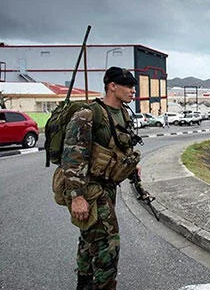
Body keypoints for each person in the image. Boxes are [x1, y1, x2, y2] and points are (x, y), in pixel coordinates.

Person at [61, 66, 143, 289]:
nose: (132, 90)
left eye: (133, 86)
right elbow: (72, 157)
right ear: (112, 86)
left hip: (109, 187)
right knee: (109, 242)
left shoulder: (125, 113)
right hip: (90, 188)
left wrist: (132, 168)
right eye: (127, 85)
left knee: (90, 237)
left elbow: (122, 146)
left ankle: (85, 282)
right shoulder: (88, 114)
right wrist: (77, 196)